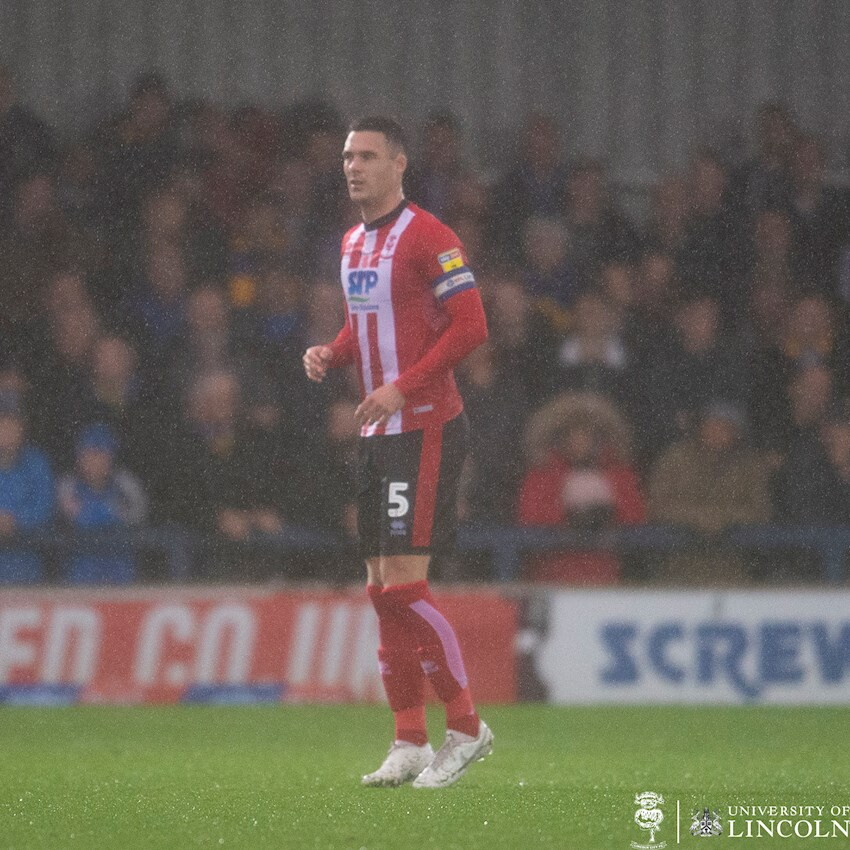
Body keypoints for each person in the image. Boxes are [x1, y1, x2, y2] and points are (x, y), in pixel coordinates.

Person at [303, 116, 491, 789]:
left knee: (406, 588)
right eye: (347, 156)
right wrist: (333, 352)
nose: (353, 167)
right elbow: (366, 325)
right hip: (378, 433)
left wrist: (401, 387)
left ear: (399, 164)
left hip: (425, 427)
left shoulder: (431, 236)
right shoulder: (352, 241)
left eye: (367, 156)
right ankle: (409, 738)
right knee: (382, 593)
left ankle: (467, 727)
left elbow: (472, 326)